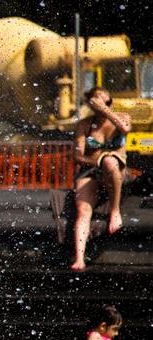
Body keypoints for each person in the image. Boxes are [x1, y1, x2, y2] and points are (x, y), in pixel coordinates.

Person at [70, 87, 133, 271]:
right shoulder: (85, 125)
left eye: (108, 102)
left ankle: (115, 211)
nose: (105, 106)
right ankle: (79, 257)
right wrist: (95, 160)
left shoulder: (122, 117)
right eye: (99, 103)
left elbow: (125, 129)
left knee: (109, 162)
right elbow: (77, 155)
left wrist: (106, 110)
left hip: (115, 168)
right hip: (91, 169)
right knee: (82, 209)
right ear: (91, 105)